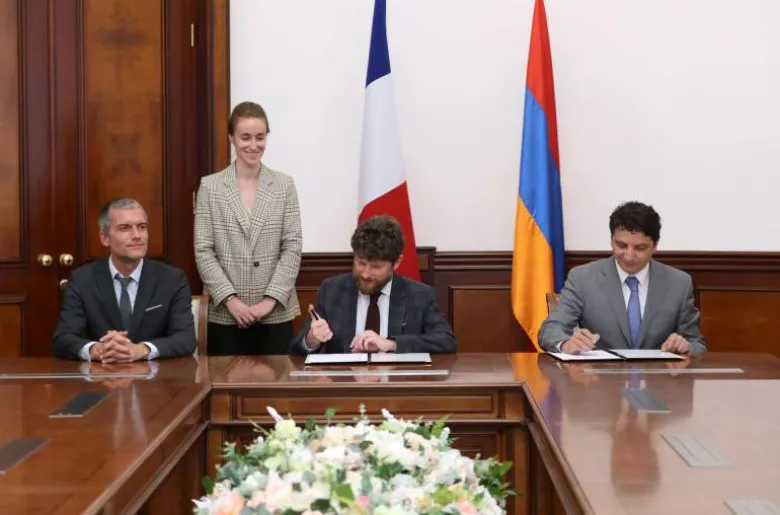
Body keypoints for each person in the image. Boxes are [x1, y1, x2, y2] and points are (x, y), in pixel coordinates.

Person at [195, 101, 302, 355]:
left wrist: (269, 300)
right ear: (231, 138)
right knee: (225, 379)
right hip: (225, 315)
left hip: (275, 313)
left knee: (276, 380)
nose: (253, 145)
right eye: (245, 137)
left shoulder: (284, 185)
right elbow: (203, 251)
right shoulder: (210, 187)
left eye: (260, 137)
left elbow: (292, 247)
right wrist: (231, 301)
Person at [539, 201, 706, 354]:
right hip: (599, 375)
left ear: (655, 245)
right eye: (621, 246)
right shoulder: (582, 278)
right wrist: (566, 343)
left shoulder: (679, 283)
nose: (629, 255)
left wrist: (685, 347)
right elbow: (550, 330)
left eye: (640, 248)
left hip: (658, 375)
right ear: (612, 241)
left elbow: (697, 344)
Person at [52, 198, 197, 361]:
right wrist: (97, 349)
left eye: (142, 227)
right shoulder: (82, 279)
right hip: (101, 372)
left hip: (155, 375)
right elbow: (63, 339)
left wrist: (142, 350)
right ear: (105, 238)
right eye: (125, 228)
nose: (137, 236)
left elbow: (186, 339)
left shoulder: (172, 279)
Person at [290, 215, 457, 354]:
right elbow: (296, 352)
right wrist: (312, 339)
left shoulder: (419, 295)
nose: (365, 274)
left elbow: (446, 342)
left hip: (396, 382)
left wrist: (391, 344)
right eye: (361, 263)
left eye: (376, 267)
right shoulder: (332, 290)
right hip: (345, 382)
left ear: (396, 262)